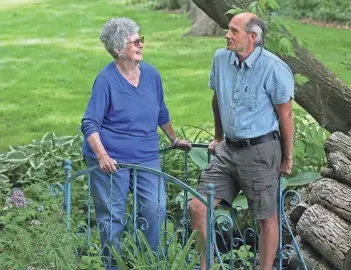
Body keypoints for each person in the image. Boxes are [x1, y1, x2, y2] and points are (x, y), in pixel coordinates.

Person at [81, 17, 192, 269]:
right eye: (135, 42)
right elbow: (89, 124)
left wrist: (174, 139)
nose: (141, 45)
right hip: (111, 159)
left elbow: (160, 111)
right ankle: (114, 264)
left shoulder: (151, 74)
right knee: (112, 217)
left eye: (141, 39)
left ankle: (148, 262)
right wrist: (102, 156)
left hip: (146, 153)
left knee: (155, 207)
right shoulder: (105, 81)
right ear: (119, 49)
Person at [189, 13, 294, 270]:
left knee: (267, 219)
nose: (227, 34)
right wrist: (218, 137)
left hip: (260, 150)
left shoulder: (273, 68)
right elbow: (217, 99)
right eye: (229, 29)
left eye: (234, 31)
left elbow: (286, 114)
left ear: (252, 37)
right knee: (197, 208)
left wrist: (287, 157)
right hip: (228, 150)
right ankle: (206, 265)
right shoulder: (220, 59)